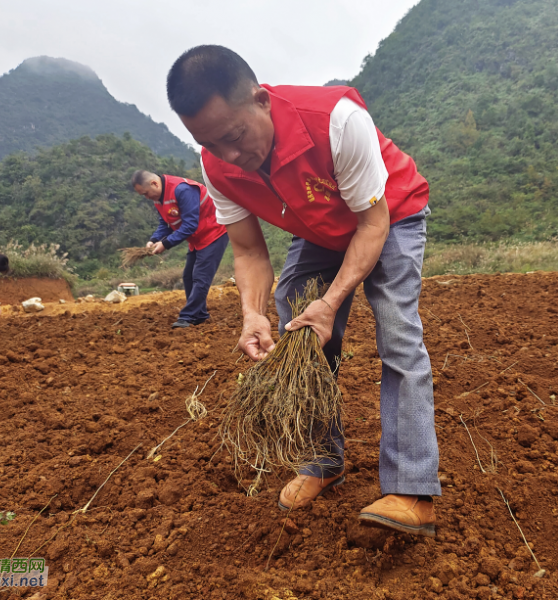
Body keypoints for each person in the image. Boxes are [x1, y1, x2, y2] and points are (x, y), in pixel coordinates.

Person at [167, 45, 440, 537]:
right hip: (318, 229)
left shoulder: (335, 122)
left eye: (233, 136)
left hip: (388, 215)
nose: (229, 156)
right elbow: (248, 251)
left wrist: (332, 302)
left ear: (260, 100)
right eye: (209, 143)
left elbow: (372, 225)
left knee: (398, 334)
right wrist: (250, 314)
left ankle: (412, 489)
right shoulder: (216, 164)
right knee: (296, 321)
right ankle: (321, 461)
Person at [132, 170, 229, 328]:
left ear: (154, 184)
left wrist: (166, 244)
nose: (147, 198)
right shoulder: (158, 199)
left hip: (213, 233)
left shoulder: (182, 190)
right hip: (197, 239)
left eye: (146, 193)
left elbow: (190, 225)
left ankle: (187, 316)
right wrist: (154, 240)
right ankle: (200, 315)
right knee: (188, 276)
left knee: (200, 277)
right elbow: (165, 224)